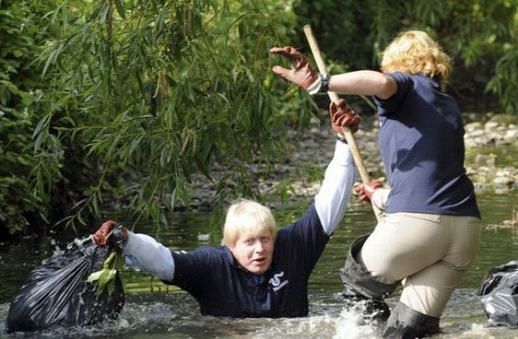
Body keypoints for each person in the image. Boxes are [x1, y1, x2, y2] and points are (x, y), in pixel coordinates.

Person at [270, 30, 482, 339]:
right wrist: (379, 195)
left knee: (359, 282)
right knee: (409, 338)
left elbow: (382, 85)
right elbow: (431, 180)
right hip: (464, 232)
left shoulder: (407, 85)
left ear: (398, 65)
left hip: (418, 227)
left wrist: (320, 83)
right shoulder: (447, 105)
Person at [93, 98, 361, 318]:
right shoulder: (212, 266)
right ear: (229, 245)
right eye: (249, 242)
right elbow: (163, 261)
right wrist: (126, 239)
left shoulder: (292, 247)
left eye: (265, 239)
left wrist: (344, 143)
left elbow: (329, 203)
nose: (260, 249)